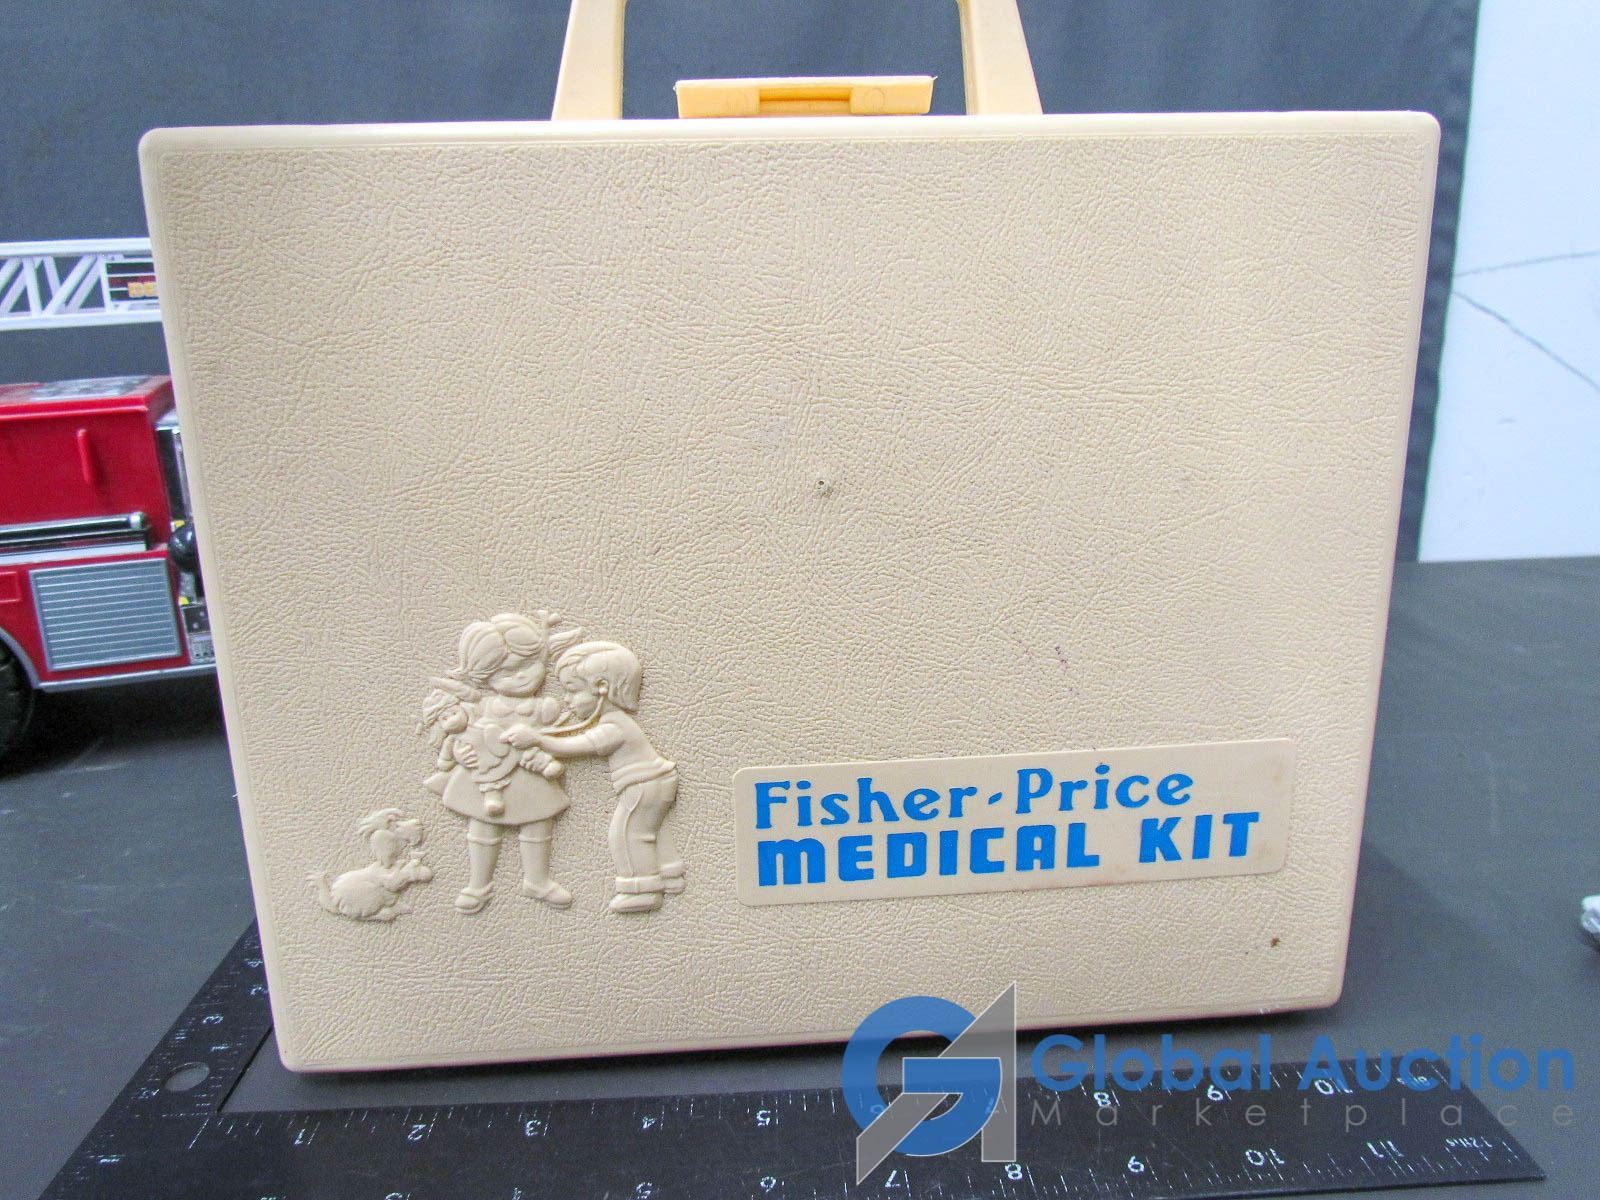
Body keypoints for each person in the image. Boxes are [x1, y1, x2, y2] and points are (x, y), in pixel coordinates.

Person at [420, 612, 581, 913]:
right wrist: (460, 754)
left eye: (528, 665)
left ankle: (537, 881)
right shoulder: (483, 705)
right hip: (486, 775)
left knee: (537, 823)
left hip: (529, 774)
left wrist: (542, 751)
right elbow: (461, 735)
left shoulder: (546, 707)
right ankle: (478, 884)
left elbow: (556, 735)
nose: (521, 676)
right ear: (484, 676)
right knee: (483, 824)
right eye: (505, 672)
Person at [510, 640, 681, 912]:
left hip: (644, 784)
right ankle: (670, 874)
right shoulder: (614, 722)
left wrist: (537, 739)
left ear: (602, 688)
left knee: (626, 833)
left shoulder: (614, 726)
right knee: (649, 829)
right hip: (653, 781)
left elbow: (577, 746)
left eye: (573, 691)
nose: (567, 700)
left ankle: (642, 890)